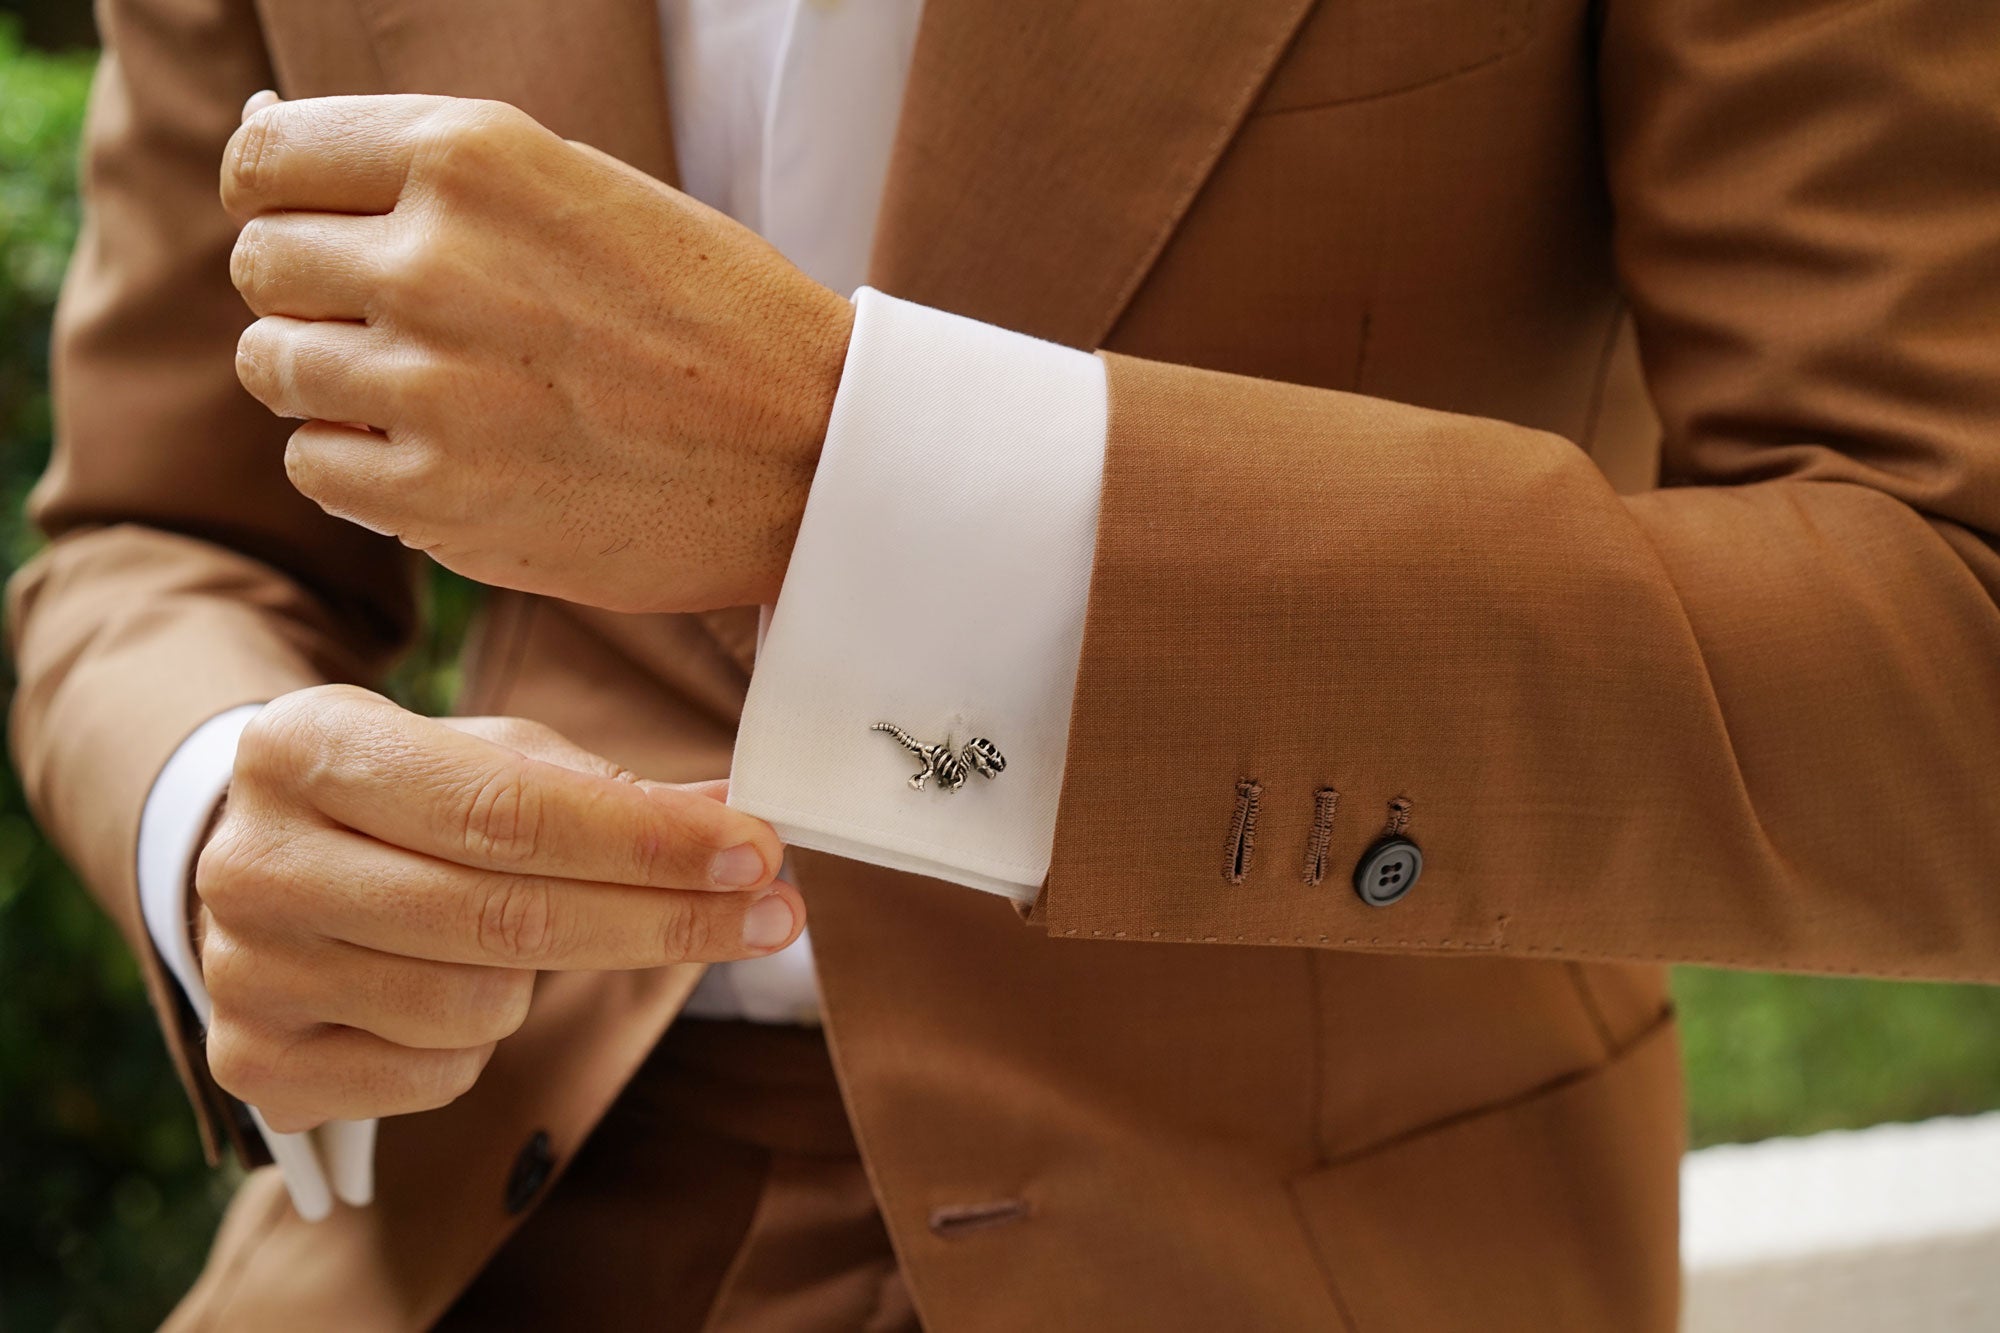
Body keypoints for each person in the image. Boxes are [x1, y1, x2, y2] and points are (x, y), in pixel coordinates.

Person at [11, 0, 2000, 1327]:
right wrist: (218, 811)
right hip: (457, 1227)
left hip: (1298, 1245)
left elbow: (1950, 654)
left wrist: (844, 468)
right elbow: (148, 537)